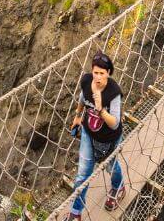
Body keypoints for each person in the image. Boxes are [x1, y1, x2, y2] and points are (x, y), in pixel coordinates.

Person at [67, 53, 125, 219]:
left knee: (111, 167)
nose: (98, 77)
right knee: (82, 175)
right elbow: (82, 96)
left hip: (109, 140)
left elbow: (114, 123)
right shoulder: (86, 80)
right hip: (88, 133)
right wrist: (78, 115)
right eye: (95, 72)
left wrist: (100, 108)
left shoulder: (114, 93)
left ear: (108, 73)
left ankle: (118, 187)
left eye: (102, 73)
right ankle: (75, 214)